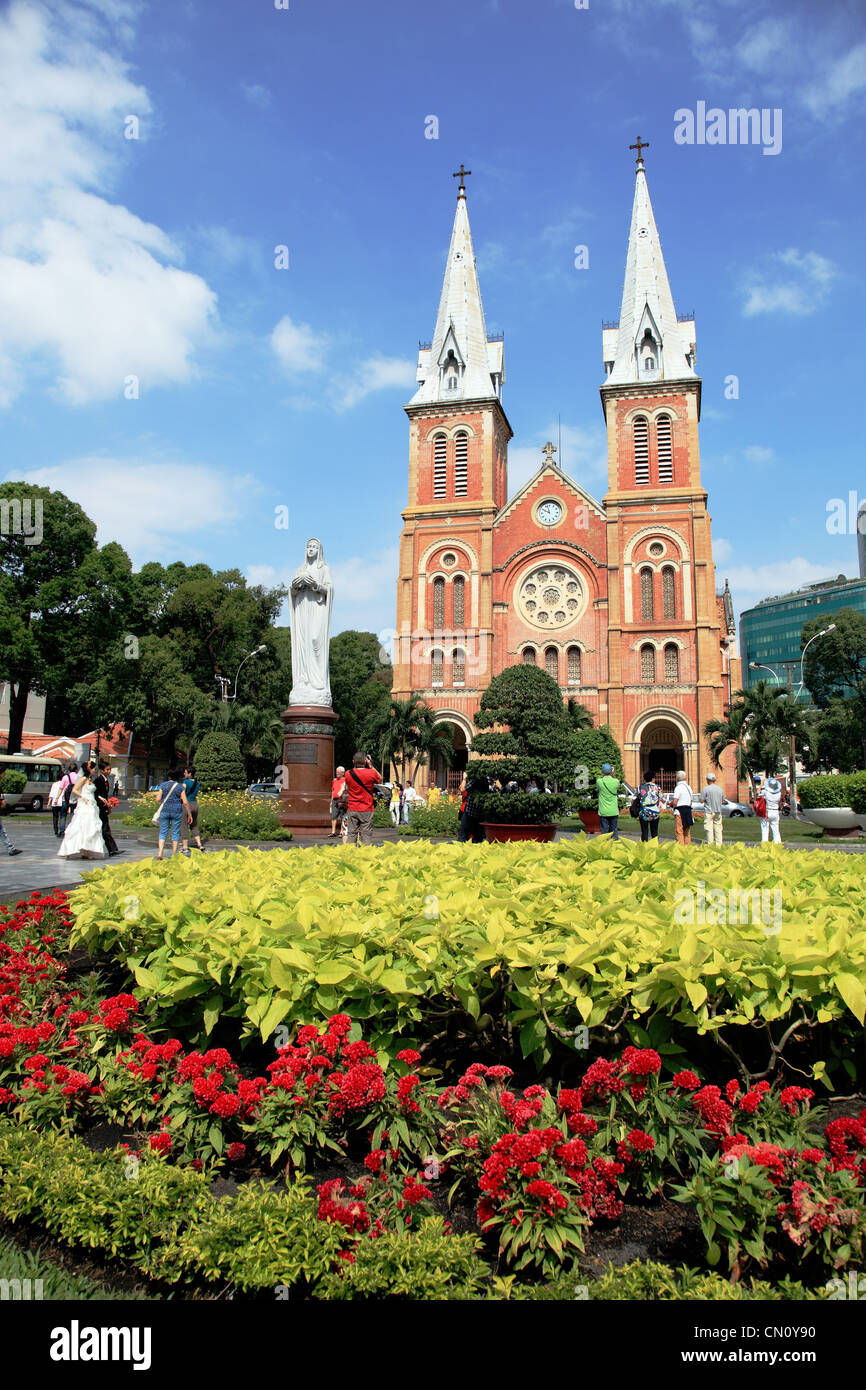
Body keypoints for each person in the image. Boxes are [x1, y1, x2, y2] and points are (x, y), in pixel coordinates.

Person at [58, 764, 106, 860]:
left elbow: (92, 792)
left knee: (89, 826)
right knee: (80, 825)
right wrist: (83, 797)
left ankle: (86, 850)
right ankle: (71, 849)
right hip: (85, 804)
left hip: (91, 803)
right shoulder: (83, 778)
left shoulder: (90, 779)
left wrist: (100, 798)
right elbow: (74, 790)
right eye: (93, 769)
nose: (95, 770)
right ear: (89, 769)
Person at [344, 752, 381, 846]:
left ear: (353, 761)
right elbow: (379, 778)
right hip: (366, 808)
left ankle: (350, 855)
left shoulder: (348, 774)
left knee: (351, 833)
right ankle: (365, 855)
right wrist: (371, 765)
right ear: (365, 761)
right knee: (366, 834)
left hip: (352, 807)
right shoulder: (371, 773)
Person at [154, 768, 191, 859]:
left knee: (163, 832)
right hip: (177, 811)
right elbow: (185, 802)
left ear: (169, 776)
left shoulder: (163, 785)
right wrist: (189, 814)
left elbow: (158, 799)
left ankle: (160, 853)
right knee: (175, 832)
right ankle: (174, 854)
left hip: (165, 810)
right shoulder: (180, 787)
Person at [95, 759, 120, 856]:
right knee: (105, 829)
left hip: (104, 808)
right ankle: (112, 850)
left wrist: (109, 804)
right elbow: (96, 795)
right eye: (107, 769)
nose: (109, 771)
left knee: (106, 828)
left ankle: (113, 849)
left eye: (110, 769)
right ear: (101, 770)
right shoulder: (98, 781)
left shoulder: (105, 780)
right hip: (100, 808)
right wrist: (105, 804)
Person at [596, 763, 622, 840]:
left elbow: (599, 785)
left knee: (604, 832)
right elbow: (617, 783)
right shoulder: (616, 781)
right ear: (611, 771)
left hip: (603, 811)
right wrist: (613, 773)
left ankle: (604, 846)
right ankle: (615, 846)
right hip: (613, 810)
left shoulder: (599, 781)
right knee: (614, 831)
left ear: (602, 771)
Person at [458, 773, 486, 843]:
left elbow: (462, 789)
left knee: (463, 836)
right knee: (477, 837)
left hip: (470, 812)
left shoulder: (474, 781)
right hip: (480, 814)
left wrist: (464, 778)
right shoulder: (487, 783)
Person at [183, 766, 204, 852]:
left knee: (184, 825)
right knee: (194, 825)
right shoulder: (197, 783)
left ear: (189, 774)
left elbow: (182, 793)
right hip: (195, 804)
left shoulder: (186, 782)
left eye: (185, 772)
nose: (184, 773)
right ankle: (199, 844)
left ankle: (185, 846)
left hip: (186, 805)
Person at [701, 771, 725, 846]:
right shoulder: (720, 789)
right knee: (718, 829)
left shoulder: (706, 789)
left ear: (708, 780)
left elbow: (701, 800)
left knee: (709, 829)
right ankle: (719, 845)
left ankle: (710, 844)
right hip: (718, 811)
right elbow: (723, 801)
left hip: (709, 811)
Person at [672, 769, 695, 846]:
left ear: (677, 778)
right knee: (687, 831)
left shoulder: (678, 787)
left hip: (680, 811)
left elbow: (675, 801)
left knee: (679, 831)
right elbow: (691, 801)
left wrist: (670, 804)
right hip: (688, 811)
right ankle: (687, 848)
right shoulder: (689, 787)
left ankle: (681, 848)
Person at [637, 770, 661, 842]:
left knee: (644, 831)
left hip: (644, 812)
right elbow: (663, 798)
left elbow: (635, 797)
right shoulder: (657, 787)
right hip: (654, 812)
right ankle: (655, 847)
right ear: (653, 778)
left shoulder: (640, 787)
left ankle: (644, 847)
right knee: (654, 832)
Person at [56, 763, 78, 839]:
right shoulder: (78, 777)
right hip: (74, 798)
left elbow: (61, 788)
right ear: (76, 769)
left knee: (63, 815)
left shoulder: (65, 777)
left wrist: (57, 798)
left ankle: (62, 831)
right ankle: (71, 830)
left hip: (65, 798)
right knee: (73, 814)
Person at [759, 776, 783, 845]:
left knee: (765, 829)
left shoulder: (765, 792)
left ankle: (765, 844)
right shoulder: (779, 793)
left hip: (767, 811)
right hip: (775, 811)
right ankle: (778, 844)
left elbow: (759, 795)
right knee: (776, 829)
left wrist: (762, 784)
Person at [330, 766, 347, 837]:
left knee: (342, 816)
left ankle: (341, 832)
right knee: (333, 815)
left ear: (343, 773)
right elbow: (333, 791)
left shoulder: (345, 780)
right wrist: (331, 801)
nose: (337, 773)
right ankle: (333, 832)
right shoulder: (334, 780)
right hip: (334, 800)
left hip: (342, 800)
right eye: (336, 772)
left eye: (338, 772)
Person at [48, 771, 65, 837]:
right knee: (62, 817)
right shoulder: (65, 784)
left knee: (55, 817)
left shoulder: (54, 784)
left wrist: (49, 803)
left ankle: (55, 830)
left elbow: (51, 794)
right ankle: (61, 830)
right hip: (62, 802)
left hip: (55, 803)